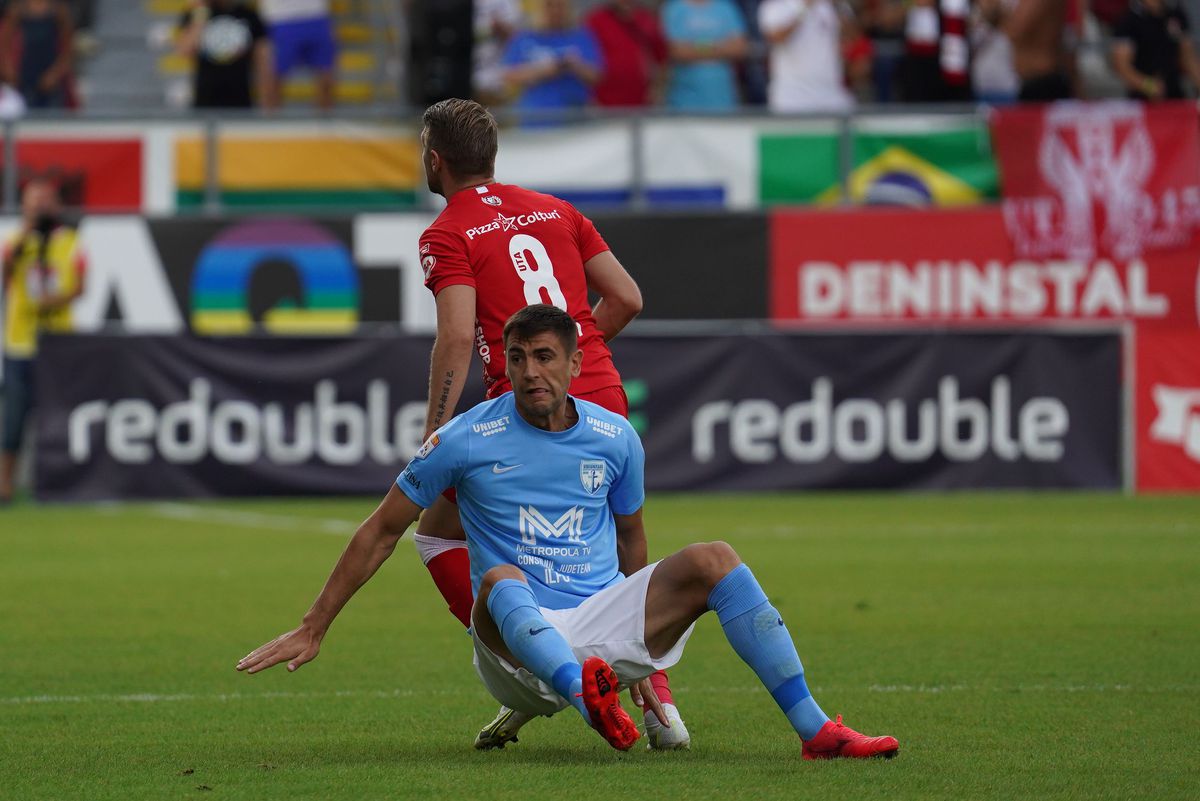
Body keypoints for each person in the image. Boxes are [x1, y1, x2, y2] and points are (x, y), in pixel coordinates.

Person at [237, 305, 901, 760]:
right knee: (498, 576)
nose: (531, 371)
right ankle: (587, 694)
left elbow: (631, 540)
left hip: (603, 627)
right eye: (519, 357)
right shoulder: (465, 437)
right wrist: (314, 622)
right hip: (516, 654)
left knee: (715, 558)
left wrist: (648, 655)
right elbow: (383, 529)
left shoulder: (616, 438)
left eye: (546, 356)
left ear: (576, 362)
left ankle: (816, 731)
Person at [411, 98, 690, 750]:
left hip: (525, 413)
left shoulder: (447, 231)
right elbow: (627, 297)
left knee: (435, 539)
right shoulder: (558, 210)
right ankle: (659, 701)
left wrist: (435, 434)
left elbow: (456, 336)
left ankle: (533, 674)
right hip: (602, 400)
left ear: (434, 159)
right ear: (493, 155)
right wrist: (573, 360)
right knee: (602, 551)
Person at [1, 179, 86, 504]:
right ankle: (5, 485)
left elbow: (81, 285)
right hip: (20, 342)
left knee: (61, 416)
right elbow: (5, 272)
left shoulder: (71, 242)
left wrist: (57, 299)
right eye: (33, 201)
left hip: (59, 344)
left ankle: (59, 483)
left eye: (46, 200)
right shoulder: (14, 241)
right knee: (14, 420)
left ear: (58, 205)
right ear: (23, 205)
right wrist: (27, 234)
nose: (40, 206)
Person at [501, 0, 602, 117]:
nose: (555, 11)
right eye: (549, 5)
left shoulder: (581, 36)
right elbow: (508, 75)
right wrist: (544, 70)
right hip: (535, 117)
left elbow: (597, 76)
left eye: (560, 6)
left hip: (574, 115)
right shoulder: (524, 38)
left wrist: (575, 65)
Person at [758, 0, 855, 113]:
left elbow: (852, 37)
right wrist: (804, 8)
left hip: (831, 93)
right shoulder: (776, 6)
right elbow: (776, 38)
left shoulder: (826, 5)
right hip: (793, 97)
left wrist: (840, 5)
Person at [176, 0, 271, 109]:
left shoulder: (249, 15)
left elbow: (263, 63)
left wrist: (266, 103)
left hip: (240, 99)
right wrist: (200, 14)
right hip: (205, 100)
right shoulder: (197, 13)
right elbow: (185, 50)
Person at [661, 0, 749, 110]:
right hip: (684, 102)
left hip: (723, 101)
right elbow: (677, 51)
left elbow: (739, 48)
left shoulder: (726, 7)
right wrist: (719, 46)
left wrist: (694, 46)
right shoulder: (674, 9)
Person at [1111, 0, 1200, 101]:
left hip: (1174, 95)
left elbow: (1188, 57)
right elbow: (1121, 65)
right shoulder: (1129, 18)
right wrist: (1147, 85)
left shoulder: (1175, 13)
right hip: (1142, 100)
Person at [585, 0, 668, 108]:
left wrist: (657, 89)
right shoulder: (595, 20)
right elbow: (586, 59)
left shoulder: (646, 19)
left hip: (641, 102)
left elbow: (662, 57)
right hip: (605, 103)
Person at [257, 0, 337, 110]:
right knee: (273, 75)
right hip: (281, 17)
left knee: (326, 75)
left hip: (317, 15)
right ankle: (271, 122)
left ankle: (326, 122)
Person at [0, 0, 75, 108]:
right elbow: (4, 43)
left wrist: (54, 74)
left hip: (50, 78)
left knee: (53, 120)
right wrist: (9, 70)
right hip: (25, 76)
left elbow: (68, 49)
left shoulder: (58, 11)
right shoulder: (18, 10)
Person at [473, 0, 523, 105]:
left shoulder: (507, 3)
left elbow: (519, 37)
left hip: (496, 79)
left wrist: (500, 27)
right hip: (465, 77)